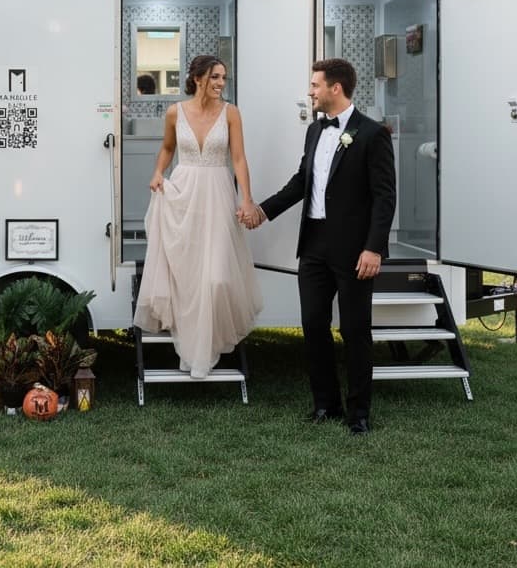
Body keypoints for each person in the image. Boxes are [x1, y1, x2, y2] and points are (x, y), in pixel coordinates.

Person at [244, 58, 395, 435]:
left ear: (336, 88)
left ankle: (358, 412)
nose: (310, 91)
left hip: (354, 250)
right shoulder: (315, 131)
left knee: (356, 331)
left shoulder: (372, 134)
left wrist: (373, 248)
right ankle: (325, 403)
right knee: (313, 326)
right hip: (313, 245)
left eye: (315, 85)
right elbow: (301, 182)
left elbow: (384, 198)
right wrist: (263, 210)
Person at [133, 54, 263, 378]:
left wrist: (247, 199)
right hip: (183, 193)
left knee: (217, 278)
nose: (221, 83)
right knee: (188, 274)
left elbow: (239, 158)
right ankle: (192, 348)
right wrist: (158, 172)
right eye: (215, 77)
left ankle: (210, 344)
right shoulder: (175, 112)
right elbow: (167, 148)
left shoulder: (231, 113)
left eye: (223, 78)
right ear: (198, 78)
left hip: (219, 193)